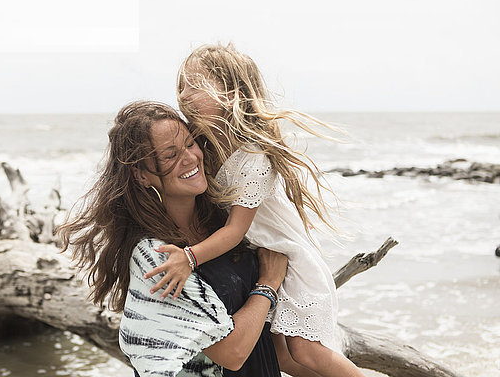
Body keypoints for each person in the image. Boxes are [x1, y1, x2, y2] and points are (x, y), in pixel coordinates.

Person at [144, 43, 365, 376]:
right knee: (282, 360)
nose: (184, 95)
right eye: (180, 87)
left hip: (288, 260)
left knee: (306, 351)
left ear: (232, 92)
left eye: (195, 85)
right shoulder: (205, 142)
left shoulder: (254, 157)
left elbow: (235, 230)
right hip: (260, 258)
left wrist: (189, 257)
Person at [57, 101, 293, 376]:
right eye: (170, 155)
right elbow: (232, 352)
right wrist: (268, 284)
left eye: (190, 143)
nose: (191, 158)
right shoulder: (156, 256)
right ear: (142, 175)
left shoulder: (225, 226)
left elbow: (273, 347)